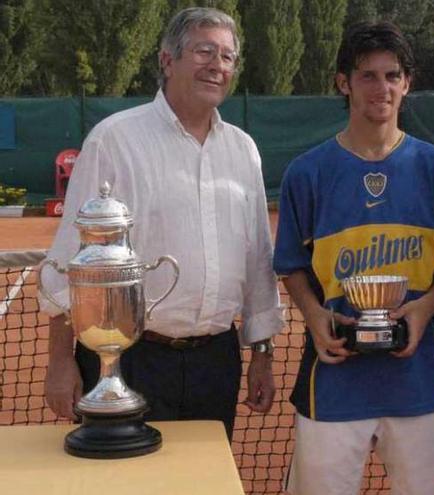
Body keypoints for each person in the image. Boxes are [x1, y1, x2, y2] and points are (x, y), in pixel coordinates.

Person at [39, 7, 283, 440]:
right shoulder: (114, 139)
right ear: (167, 60)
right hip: (128, 360)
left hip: (216, 362)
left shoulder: (243, 150)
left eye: (228, 57)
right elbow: (73, 260)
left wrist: (261, 352)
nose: (217, 65)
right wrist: (60, 361)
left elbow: (257, 260)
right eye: (204, 51)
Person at [273, 21, 434, 495]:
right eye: (367, 75)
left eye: (391, 75)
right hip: (335, 377)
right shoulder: (307, 173)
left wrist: (424, 309)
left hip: (419, 377)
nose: (380, 88)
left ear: (407, 83)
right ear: (343, 82)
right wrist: (314, 314)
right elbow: (292, 266)